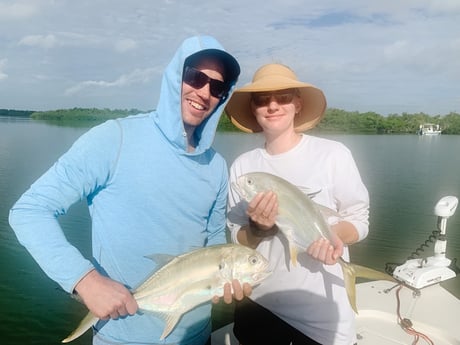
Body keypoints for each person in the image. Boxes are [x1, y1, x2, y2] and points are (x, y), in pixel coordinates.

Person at [9, 35, 248, 345]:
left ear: (222, 98)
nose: (203, 92)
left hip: (196, 336)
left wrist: (228, 278)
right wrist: (85, 280)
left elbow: (214, 241)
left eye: (217, 87)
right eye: (196, 77)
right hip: (121, 336)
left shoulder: (216, 165)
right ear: (176, 75)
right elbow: (29, 211)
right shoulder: (114, 138)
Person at [225, 63, 370, 345]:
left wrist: (333, 238)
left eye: (283, 97)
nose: (273, 106)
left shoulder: (333, 155)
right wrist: (258, 228)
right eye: (262, 100)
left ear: (298, 104)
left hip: (323, 315)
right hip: (259, 305)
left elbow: (360, 220)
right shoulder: (244, 167)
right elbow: (237, 238)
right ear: (253, 109)